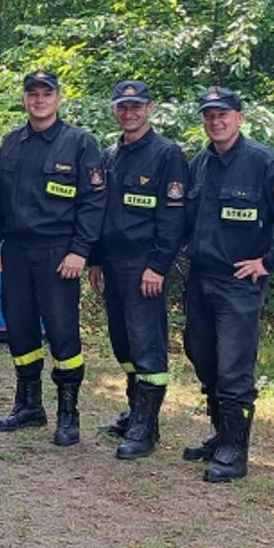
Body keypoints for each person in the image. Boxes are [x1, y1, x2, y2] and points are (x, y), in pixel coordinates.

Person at [181, 87, 274, 482]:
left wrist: (269, 262)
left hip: (238, 283)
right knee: (202, 355)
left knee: (234, 367)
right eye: (209, 115)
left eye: (223, 115)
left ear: (239, 118)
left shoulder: (263, 163)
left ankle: (235, 452)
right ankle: (221, 434)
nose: (216, 121)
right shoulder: (200, 163)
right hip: (200, 277)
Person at [0, 71, 107, 447]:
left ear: (59, 98)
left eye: (46, 94)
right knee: (19, 329)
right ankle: (29, 405)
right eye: (32, 94)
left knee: (62, 334)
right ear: (24, 100)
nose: (39, 100)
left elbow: (93, 203)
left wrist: (80, 251)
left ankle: (68, 414)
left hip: (59, 254)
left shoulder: (80, 143)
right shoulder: (10, 144)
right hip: (16, 253)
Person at [86, 81, 189, 460]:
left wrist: (158, 266)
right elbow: (99, 209)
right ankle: (136, 414)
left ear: (150, 108)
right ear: (115, 109)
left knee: (147, 345)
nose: (129, 113)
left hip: (145, 266)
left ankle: (146, 430)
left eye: (137, 106)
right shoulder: (111, 153)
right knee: (123, 343)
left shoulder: (167, 155)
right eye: (123, 107)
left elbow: (174, 218)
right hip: (112, 263)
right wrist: (95, 258)